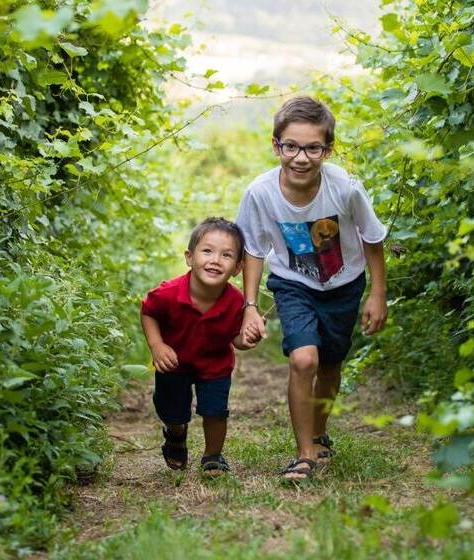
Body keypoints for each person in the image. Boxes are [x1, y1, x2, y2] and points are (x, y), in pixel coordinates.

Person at [236, 96, 388, 481]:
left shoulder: (346, 188)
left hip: (344, 284)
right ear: (276, 146)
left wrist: (377, 293)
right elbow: (253, 249)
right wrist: (250, 306)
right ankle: (304, 453)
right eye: (291, 146)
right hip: (293, 284)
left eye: (312, 148)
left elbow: (372, 238)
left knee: (331, 364)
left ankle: (319, 434)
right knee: (305, 360)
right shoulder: (261, 192)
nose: (300, 157)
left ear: (327, 149)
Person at [140, 217, 261, 476]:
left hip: (214, 366)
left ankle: (213, 456)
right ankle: (175, 436)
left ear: (238, 267)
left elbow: (235, 338)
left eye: (226, 255)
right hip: (173, 364)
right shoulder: (168, 293)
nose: (215, 260)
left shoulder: (235, 301)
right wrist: (157, 345)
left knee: (216, 411)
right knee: (172, 413)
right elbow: (148, 311)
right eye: (207, 251)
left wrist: (247, 339)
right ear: (189, 257)